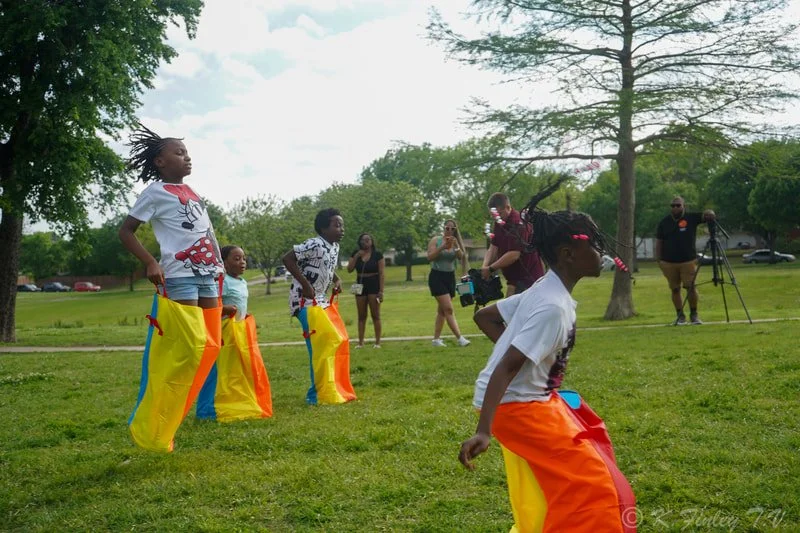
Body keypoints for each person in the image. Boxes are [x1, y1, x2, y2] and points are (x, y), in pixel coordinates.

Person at [459, 205, 636, 532]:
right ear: (568, 254)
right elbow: (507, 367)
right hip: (516, 407)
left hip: (526, 398)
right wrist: (484, 430)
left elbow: (484, 317)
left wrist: (524, 358)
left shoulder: (545, 288)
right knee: (593, 487)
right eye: (594, 245)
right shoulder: (552, 306)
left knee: (592, 444)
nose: (601, 253)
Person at [119, 124, 224, 306]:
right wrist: (151, 262)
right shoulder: (154, 192)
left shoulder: (193, 191)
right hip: (179, 276)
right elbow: (125, 232)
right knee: (187, 333)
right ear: (160, 162)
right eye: (179, 153)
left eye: (187, 153)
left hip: (207, 274)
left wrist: (217, 264)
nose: (187, 157)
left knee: (210, 333)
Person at [655, 196, 716, 325]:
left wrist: (710, 213)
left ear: (684, 206)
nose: (675, 208)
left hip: (688, 261)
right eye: (673, 206)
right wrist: (659, 260)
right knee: (675, 289)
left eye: (678, 205)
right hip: (669, 262)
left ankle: (694, 315)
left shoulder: (691, 218)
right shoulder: (664, 222)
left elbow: (706, 215)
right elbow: (659, 241)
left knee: (690, 287)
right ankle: (680, 316)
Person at [282, 208, 344, 316]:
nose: (342, 229)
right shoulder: (315, 244)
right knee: (320, 332)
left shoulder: (335, 247)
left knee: (328, 331)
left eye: (342, 226)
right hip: (304, 299)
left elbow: (326, 267)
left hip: (320, 299)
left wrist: (337, 280)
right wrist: (306, 285)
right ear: (323, 229)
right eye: (337, 226)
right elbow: (287, 259)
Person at [481, 192, 545, 296]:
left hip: (528, 279)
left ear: (508, 207)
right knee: (509, 310)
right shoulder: (499, 222)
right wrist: (484, 267)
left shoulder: (519, 223)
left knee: (513, 311)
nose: (496, 218)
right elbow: (493, 247)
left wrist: (491, 268)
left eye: (499, 214)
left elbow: (514, 254)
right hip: (514, 280)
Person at [426, 220, 471, 347]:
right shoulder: (436, 240)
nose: (449, 231)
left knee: (442, 311)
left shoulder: (455, 242)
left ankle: (436, 340)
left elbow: (461, 257)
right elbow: (429, 257)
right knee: (449, 309)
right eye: (447, 228)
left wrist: (456, 246)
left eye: (452, 229)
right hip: (437, 276)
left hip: (450, 277)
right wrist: (442, 247)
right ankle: (460, 338)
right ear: (443, 228)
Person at [346, 233, 385, 348]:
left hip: (374, 284)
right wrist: (357, 256)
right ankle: (360, 342)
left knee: (375, 315)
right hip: (360, 284)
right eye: (363, 240)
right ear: (360, 242)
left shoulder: (377, 255)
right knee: (361, 315)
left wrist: (381, 291)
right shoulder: (355, 253)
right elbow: (349, 269)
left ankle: (377, 342)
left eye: (368, 239)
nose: (365, 241)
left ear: (372, 241)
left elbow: (382, 273)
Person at [220, 245, 248, 320]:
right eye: (237, 259)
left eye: (244, 259)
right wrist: (225, 309)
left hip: (239, 326)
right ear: (224, 263)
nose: (242, 262)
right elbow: (213, 306)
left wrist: (244, 314)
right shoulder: (224, 281)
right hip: (226, 327)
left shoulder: (243, 282)